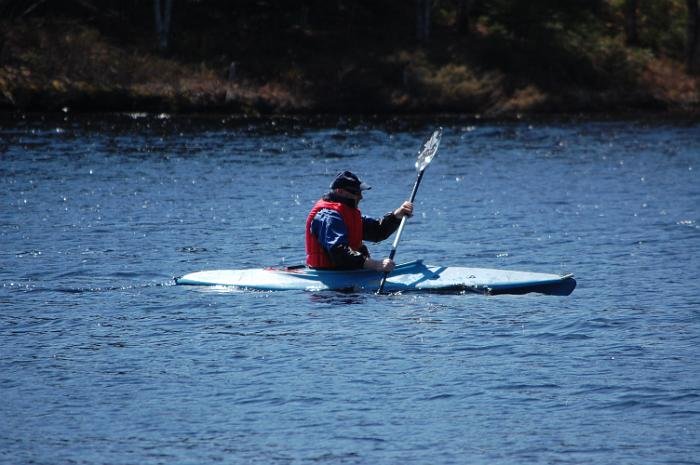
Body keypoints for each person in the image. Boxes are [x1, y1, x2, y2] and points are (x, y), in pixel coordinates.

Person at [305, 171, 413, 272]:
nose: (361, 197)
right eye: (356, 192)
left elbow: (377, 231)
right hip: (329, 278)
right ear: (340, 192)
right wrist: (376, 265)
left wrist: (396, 215)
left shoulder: (346, 214)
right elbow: (339, 253)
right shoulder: (328, 216)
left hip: (349, 272)